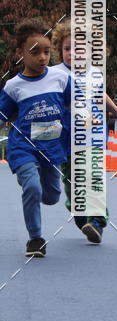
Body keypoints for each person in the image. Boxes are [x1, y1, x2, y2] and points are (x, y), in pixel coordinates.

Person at [0, 20, 71, 257]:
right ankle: (35, 239)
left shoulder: (60, 78)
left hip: (51, 148)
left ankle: (33, 183)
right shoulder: (13, 86)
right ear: (20, 53)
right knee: (32, 187)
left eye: (46, 51)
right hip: (23, 147)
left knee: (50, 197)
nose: (42, 57)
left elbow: (76, 102)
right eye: (35, 52)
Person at [51, 19, 117, 244]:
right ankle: (79, 213)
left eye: (80, 48)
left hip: (92, 135)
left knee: (93, 176)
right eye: (67, 49)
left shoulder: (95, 74)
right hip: (66, 138)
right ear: (60, 51)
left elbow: (101, 95)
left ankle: (97, 222)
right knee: (72, 181)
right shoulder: (55, 74)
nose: (73, 53)